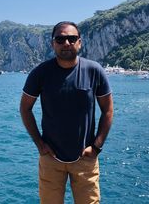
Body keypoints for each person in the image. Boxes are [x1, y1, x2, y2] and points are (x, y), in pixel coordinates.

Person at [20, 21, 113, 204]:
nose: (66, 43)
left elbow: (108, 110)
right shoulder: (40, 73)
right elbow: (25, 108)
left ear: (80, 42)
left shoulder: (94, 71)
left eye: (71, 38)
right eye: (60, 39)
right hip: (51, 159)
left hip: (85, 158)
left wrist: (96, 147)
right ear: (52, 43)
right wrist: (39, 144)